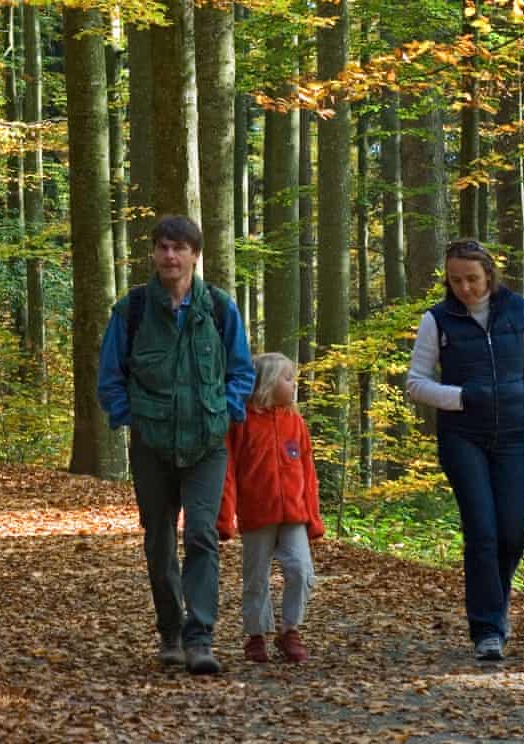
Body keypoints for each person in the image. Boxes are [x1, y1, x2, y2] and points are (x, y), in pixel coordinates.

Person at [97, 215, 256, 675]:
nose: (171, 256)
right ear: (154, 253)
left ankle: (200, 636)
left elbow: (242, 371)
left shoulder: (221, 309)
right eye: (163, 247)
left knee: (203, 534)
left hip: (207, 444)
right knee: (159, 541)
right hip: (152, 447)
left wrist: (223, 411)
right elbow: (110, 378)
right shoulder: (131, 310)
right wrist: (136, 421)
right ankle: (170, 630)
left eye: (179, 248)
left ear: (194, 255)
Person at [406, 238, 524, 662]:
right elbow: (416, 383)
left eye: (472, 279)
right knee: (482, 531)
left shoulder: (519, 310)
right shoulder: (436, 320)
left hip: (513, 436)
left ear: (489, 275)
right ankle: (487, 628)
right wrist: (461, 396)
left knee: (513, 533)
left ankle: (496, 603)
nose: (465, 288)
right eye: (456, 280)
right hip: (462, 438)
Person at [217, 352, 324, 664]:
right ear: (265, 383)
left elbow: (308, 472)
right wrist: (225, 517)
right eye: (288, 378)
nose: (294, 385)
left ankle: (290, 630)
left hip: (294, 514)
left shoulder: (296, 423)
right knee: (256, 578)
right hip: (256, 514)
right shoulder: (241, 421)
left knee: (302, 571)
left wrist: (313, 518)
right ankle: (256, 635)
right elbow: (228, 472)